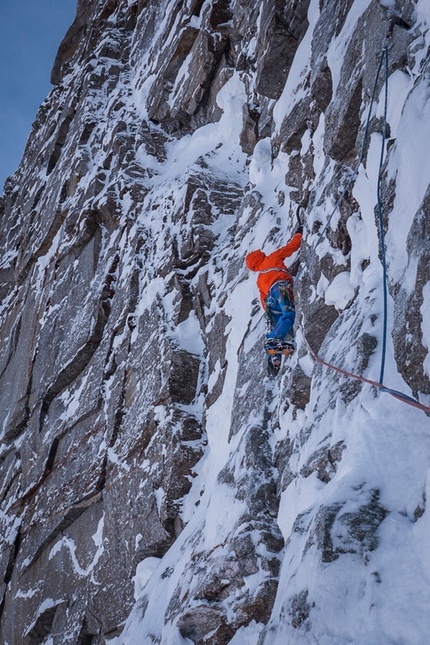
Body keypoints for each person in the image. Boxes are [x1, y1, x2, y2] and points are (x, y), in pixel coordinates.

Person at [246, 224, 303, 374]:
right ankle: (275, 340)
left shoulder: (260, 279)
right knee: (289, 315)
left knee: (279, 321)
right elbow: (290, 247)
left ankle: (273, 358)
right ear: (259, 257)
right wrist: (299, 234)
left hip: (271, 299)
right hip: (281, 288)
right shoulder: (272, 259)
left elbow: (263, 299)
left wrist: (270, 313)